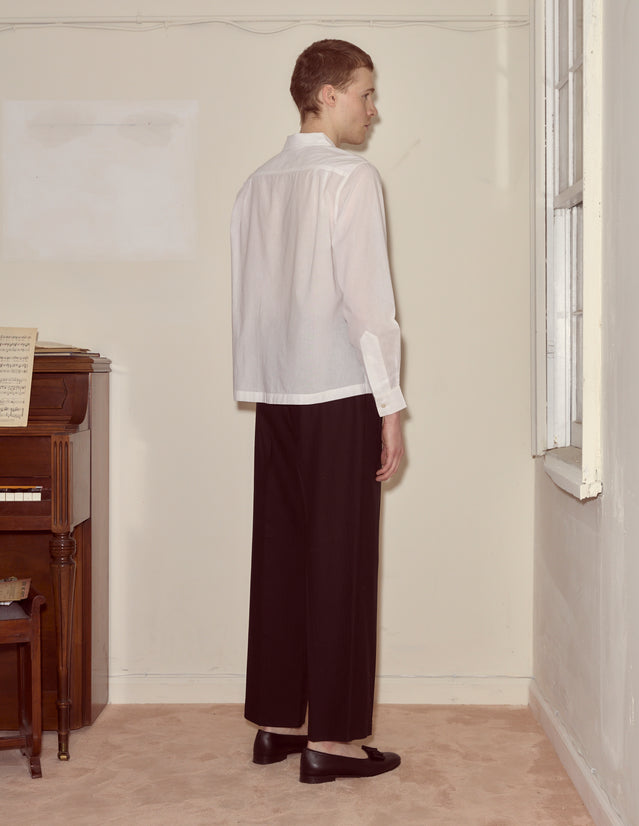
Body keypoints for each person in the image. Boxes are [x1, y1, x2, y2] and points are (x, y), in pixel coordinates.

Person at [231, 38, 406, 784]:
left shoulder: (257, 185)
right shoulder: (350, 178)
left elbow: (251, 302)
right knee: (341, 563)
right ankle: (329, 741)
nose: (373, 109)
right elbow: (369, 306)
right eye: (365, 93)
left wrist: (265, 376)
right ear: (327, 95)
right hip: (338, 393)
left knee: (281, 558)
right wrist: (390, 408)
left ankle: (276, 726)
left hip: (277, 393)